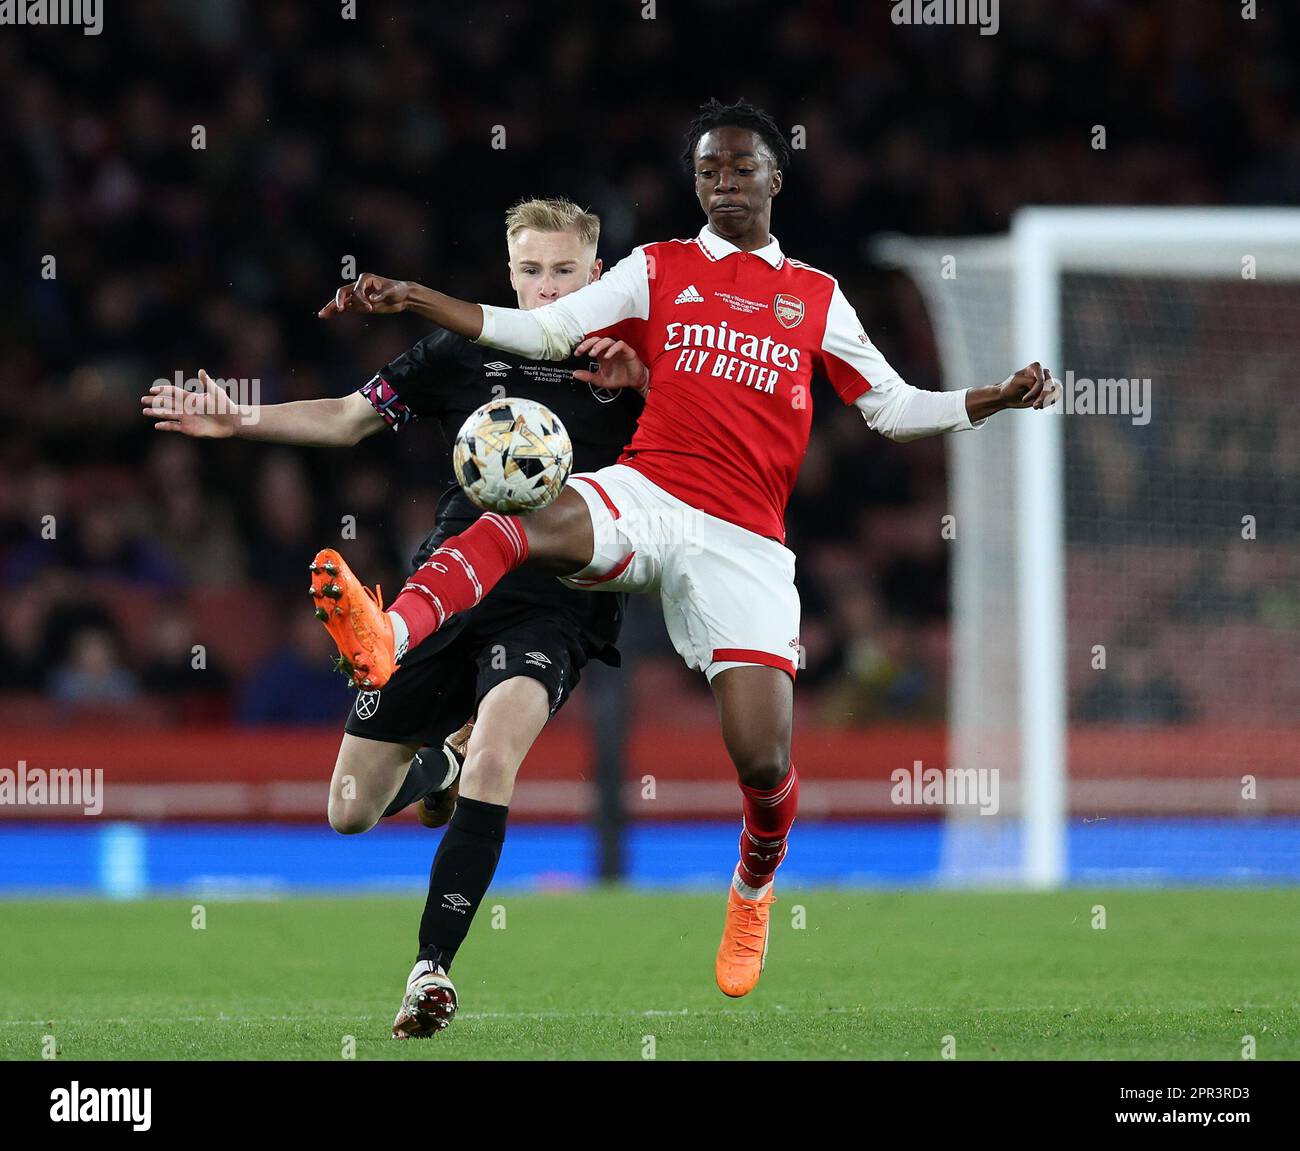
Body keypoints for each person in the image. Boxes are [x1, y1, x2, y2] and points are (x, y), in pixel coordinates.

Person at [311, 98, 1059, 1001]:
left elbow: (892, 409)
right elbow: (545, 330)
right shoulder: (658, 268)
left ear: (776, 178)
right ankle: (389, 632)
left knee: (763, 761)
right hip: (650, 492)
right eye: (707, 171)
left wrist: (990, 398)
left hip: (743, 542)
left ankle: (752, 883)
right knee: (512, 520)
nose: (722, 184)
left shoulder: (815, 296)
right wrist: (421, 298)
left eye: (740, 169)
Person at [143, 197, 646, 1036]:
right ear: (509, 274)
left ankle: (430, 972)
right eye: (531, 270)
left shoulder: (633, 363)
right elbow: (348, 417)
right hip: (448, 587)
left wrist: (649, 381)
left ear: (597, 275)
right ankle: (434, 772)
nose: (547, 287)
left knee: (495, 753)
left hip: (556, 606)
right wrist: (240, 421)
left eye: (565, 271)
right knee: (348, 809)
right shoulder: (465, 349)